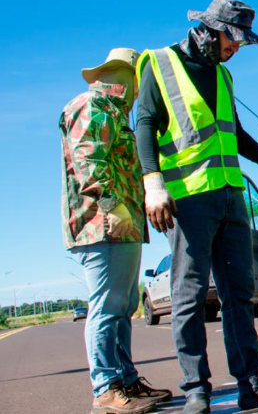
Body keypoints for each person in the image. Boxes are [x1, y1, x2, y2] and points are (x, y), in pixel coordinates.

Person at [135, 0, 258, 414]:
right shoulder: (159, 63)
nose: (236, 50)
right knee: (189, 296)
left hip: (232, 197)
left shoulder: (223, 77)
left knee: (240, 294)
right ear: (210, 31)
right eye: (233, 41)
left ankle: (253, 383)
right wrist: (152, 184)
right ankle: (197, 389)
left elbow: (236, 135)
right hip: (188, 200)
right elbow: (143, 122)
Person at [60, 48, 172, 414]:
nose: (140, 89)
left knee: (123, 307)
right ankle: (106, 389)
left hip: (124, 225)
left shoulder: (116, 114)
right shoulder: (89, 105)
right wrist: (113, 205)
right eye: (137, 79)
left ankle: (125, 381)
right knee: (107, 307)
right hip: (102, 225)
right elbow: (86, 160)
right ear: (122, 76)